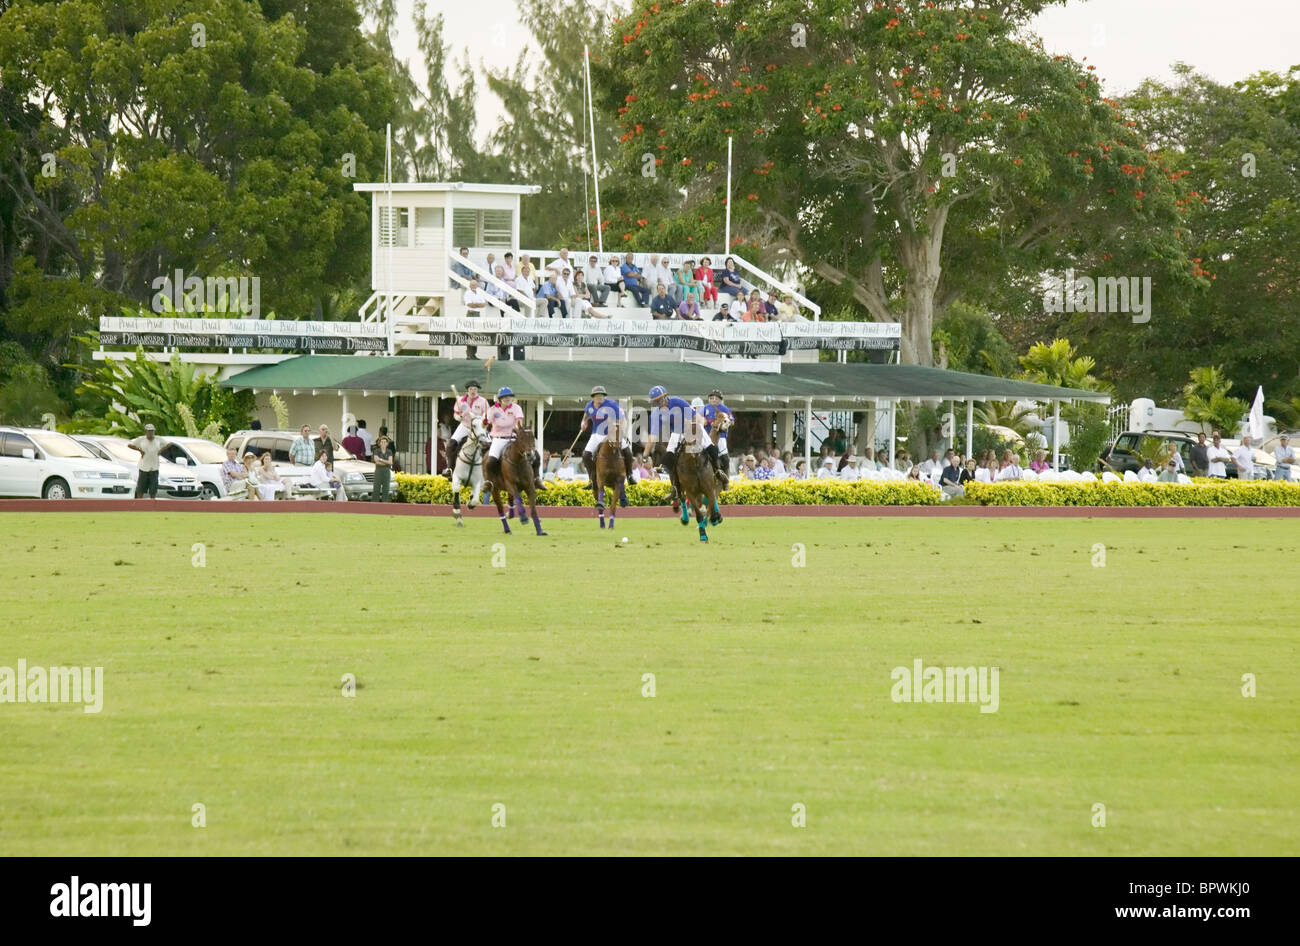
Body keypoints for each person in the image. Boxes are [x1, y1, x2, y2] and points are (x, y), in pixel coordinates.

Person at [643, 385, 722, 500]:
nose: (658, 403)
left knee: (711, 447)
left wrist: (693, 428)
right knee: (668, 459)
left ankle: (719, 473)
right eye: (655, 402)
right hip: (677, 432)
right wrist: (645, 455)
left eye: (659, 400)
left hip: (693, 425)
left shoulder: (678, 402)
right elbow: (652, 436)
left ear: (666, 397)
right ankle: (675, 488)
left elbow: (696, 417)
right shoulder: (656, 414)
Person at [579, 385, 635, 484]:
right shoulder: (589, 405)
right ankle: (592, 478)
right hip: (596, 434)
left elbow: (623, 420)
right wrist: (583, 423)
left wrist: (621, 432)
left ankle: (629, 475)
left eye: (602, 395)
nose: (600, 397)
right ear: (593, 397)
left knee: (628, 452)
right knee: (586, 455)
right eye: (597, 395)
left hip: (612, 434)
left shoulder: (612, 404)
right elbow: (585, 417)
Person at [445, 380, 489, 475]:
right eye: (471, 389)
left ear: (478, 390)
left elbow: (487, 415)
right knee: (451, 444)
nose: (473, 391)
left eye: (475, 389)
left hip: (478, 427)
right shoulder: (460, 401)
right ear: (467, 390)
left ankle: (490, 469)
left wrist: (485, 420)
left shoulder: (483, 401)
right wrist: (459, 417)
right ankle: (449, 468)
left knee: (489, 444)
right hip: (465, 426)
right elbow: (455, 414)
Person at [483, 387, 525, 483]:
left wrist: (519, 430)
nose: (507, 399)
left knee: (533, 456)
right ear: (500, 399)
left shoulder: (516, 408)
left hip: (513, 438)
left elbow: (519, 423)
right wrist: (484, 422)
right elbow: (484, 425)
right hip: (498, 439)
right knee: (490, 462)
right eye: (504, 397)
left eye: (509, 397)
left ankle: (535, 479)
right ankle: (489, 482)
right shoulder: (493, 410)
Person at [127, 424, 172, 498]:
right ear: (146, 432)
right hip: (144, 467)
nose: (150, 433)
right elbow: (130, 445)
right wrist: (139, 450)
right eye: (149, 431)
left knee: (153, 489)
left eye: (152, 431)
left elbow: (169, 444)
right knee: (141, 488)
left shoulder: (158, 439)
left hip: (154, 467)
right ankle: (140, 504)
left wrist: (161, 451)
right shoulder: (141, 439)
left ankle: (152, 504)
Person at [371, 435, 395, 501]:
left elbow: (390, 462)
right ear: (379, 443)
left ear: (387, 443)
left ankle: (385, 504)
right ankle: (375, 504)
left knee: (386, 488)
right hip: (378, 471)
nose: (383, 443)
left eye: (385, 442)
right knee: (376, 488)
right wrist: (386, 462)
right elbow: (376, 461)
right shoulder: (376, 451)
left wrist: (381, 459)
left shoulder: (389, 451)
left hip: (387, 471)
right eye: (382, 442)